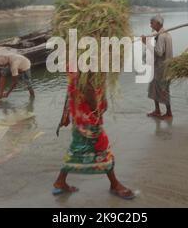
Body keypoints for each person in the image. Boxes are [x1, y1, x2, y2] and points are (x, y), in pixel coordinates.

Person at [53, 71, 135, 199]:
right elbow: (87, 87)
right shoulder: (91, 60)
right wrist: (97, 108)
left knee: (78, 149)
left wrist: (66, 113)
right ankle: (114, 184)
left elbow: (72, 87)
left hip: (80, 114)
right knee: (101, 148)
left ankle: (60, 181)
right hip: (88, 116)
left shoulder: (78, 61)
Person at [141, 14, 173, 120]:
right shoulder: (161, 34)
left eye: (152, 23)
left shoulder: (163, 35)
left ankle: (169, 113)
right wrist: (149, 39)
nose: (150, 25)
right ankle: (157, 110)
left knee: (163, 89)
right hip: (159, 67)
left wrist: (146, 44)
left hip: (162, 67)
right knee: (154, 88)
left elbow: (159, 52)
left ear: (158, 23)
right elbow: (155, 38)